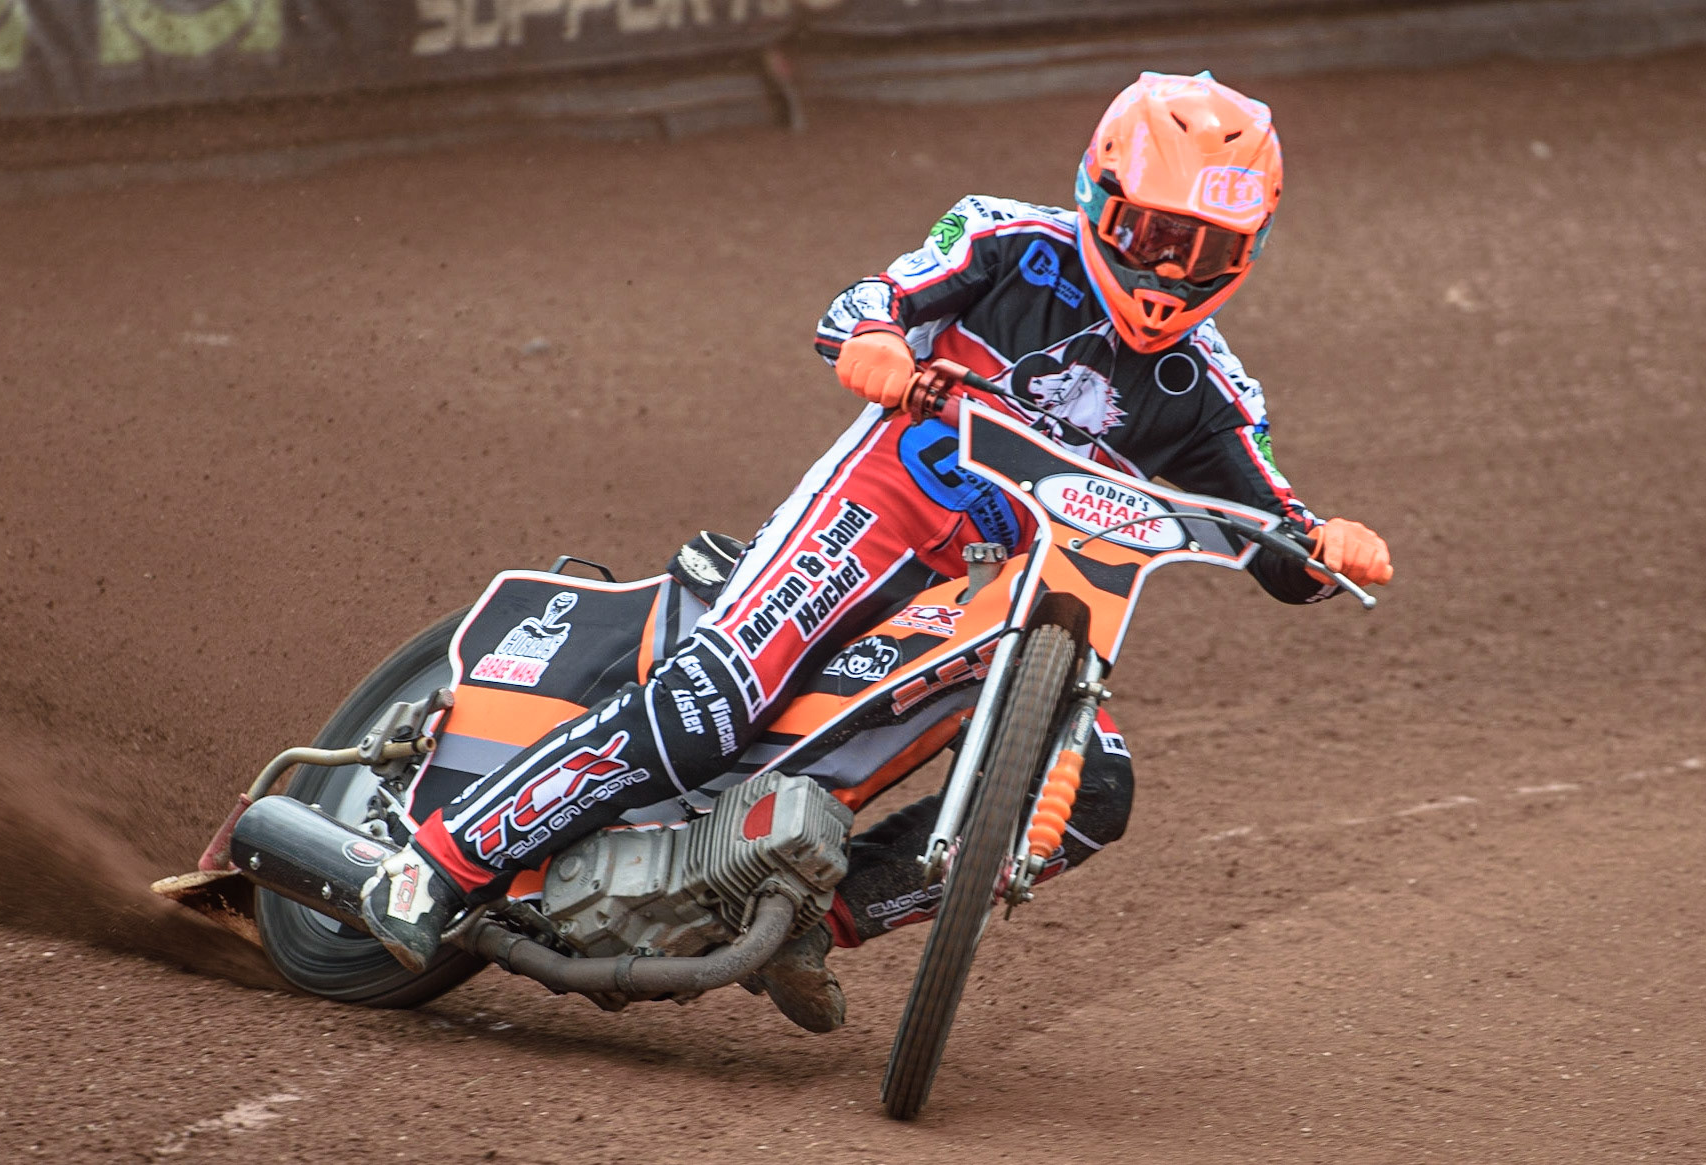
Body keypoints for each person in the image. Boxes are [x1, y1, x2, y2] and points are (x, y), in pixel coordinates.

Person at [361, 70, 1393, 1031]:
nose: (1172, 272)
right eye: (1156, 234)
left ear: (1245, 254)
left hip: (996, 590)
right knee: (713, 703)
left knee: (1094, 792)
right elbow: (868, 302)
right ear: (1099, 195)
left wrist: (1326, 545)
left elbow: (1274, 530)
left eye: (1206, 251)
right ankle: (438, 862)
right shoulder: (1003, 240)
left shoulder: (1207, 390)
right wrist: (878, 345)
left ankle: (816, 922)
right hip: (876, 510)